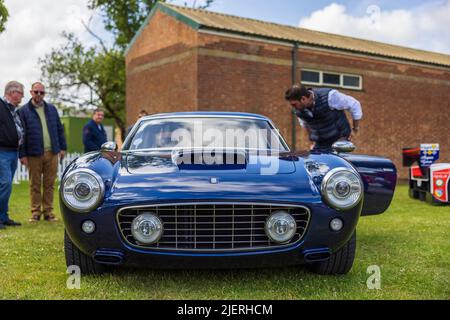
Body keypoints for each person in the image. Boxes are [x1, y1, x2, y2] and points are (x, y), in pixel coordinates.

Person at [18, 82, 67, 223]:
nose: (39, 94)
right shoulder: (23, 111)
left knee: (50, 183)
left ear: (44, 94)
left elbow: (59, 129)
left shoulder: (51, 109)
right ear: (31, 92)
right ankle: (35, 212)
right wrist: (22, 155)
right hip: (33, 153)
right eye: (36, 92)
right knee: (34, 184)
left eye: (41, 92)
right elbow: (21, 135)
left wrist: (62, 147)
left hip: (52, 152)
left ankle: (48, 212)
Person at [285, 84, 362, 152]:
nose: (293, 107)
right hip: (320, 144)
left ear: (303, 99)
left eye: (294, 104)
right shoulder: (299, 111)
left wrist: (355, 129)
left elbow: (354, 105)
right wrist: (312, 142)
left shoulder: (330, 96)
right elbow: (305, 124)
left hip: (339, 141)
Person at [0, 81, 25, 229]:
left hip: (13, 151)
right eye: (21, 93)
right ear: (12, 92)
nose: (22, 96)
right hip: (2, 151)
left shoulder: (13, 109)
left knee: (6, 185)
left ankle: (3, 216)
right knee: (5, 184)